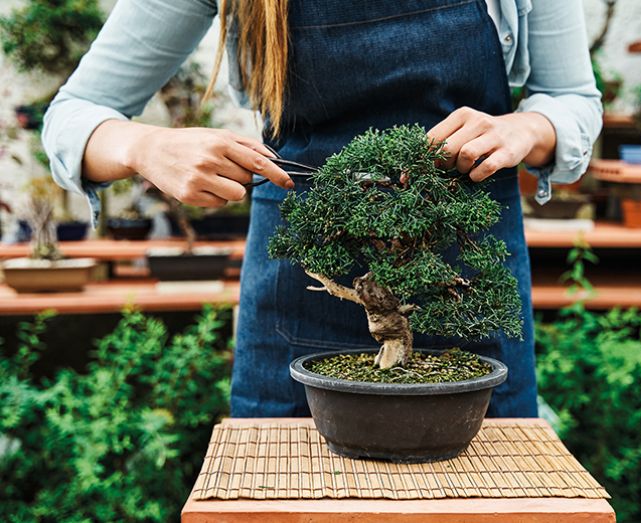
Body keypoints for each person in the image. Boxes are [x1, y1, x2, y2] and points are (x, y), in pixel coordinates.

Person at [43, 0, 602, 418]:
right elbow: (74, 116)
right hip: (305, 280)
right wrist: (142, 147)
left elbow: (573, 99)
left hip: (467, 278)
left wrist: (528, 128)